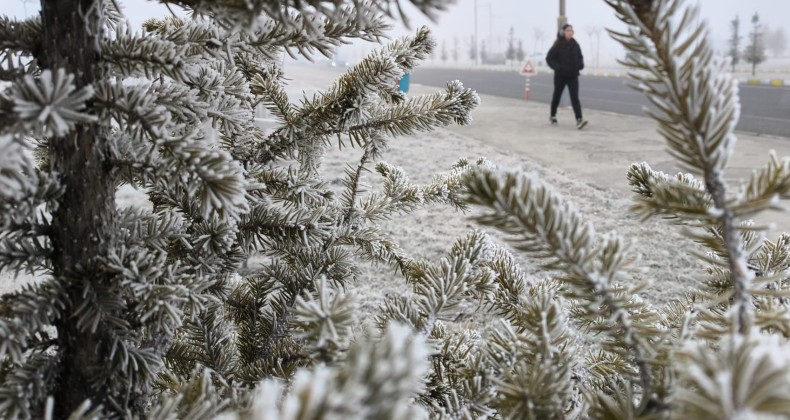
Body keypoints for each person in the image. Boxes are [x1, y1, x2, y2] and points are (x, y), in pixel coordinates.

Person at [546, 23, 587, 129]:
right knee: (557, 96)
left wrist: (580, 65)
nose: (570, 32)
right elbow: (549, 58)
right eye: (568, 30)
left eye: (571, 30)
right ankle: (553, 115)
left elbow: (580, 56)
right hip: (560, 76)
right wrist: (557, 67)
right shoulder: (558, 45)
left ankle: (579, 120)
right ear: (563, 32)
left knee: (575, 98)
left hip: (573, 76)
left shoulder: (575, 44)